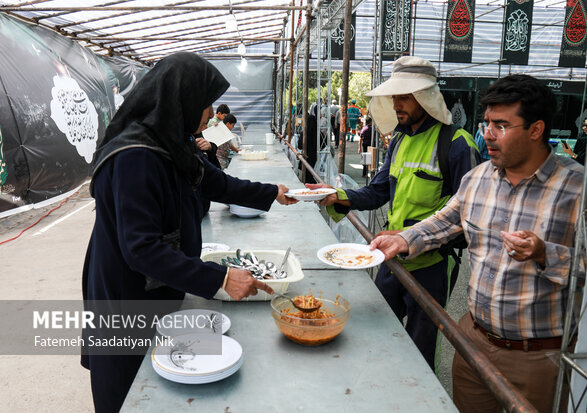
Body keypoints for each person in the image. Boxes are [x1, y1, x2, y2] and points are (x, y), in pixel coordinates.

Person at [81, 52, 297, 412]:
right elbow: (141, 250)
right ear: (182, 98)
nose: (212, 114)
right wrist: (221, 277)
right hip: (124, 295)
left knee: (163, 378)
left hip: (157, 288)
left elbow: (218, 184)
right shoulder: (135, 157)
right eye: (206, 103)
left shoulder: (173, 142)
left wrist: (271, 191)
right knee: (127, 387)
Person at [370, 74, 584, 413]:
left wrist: (545, 254)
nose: (488, 134)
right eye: (486, 123)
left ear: (536, 129)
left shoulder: (578, 189)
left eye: (501, 125)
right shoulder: (478, 179)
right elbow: (444, 221)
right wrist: (401, 239)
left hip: (537, 356)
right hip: (474, 341)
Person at [308, 56, 480, 369]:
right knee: (375, 332)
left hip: (430, 268)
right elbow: (377, 192)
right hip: (390, 258)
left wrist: (409, 236)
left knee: (420, 348)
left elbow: (468, 219)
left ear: (425, 97)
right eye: (394, 97)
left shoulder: (457, 145)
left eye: (404, 96)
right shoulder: (399, 140)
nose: (396, 104)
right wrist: (336, 196)